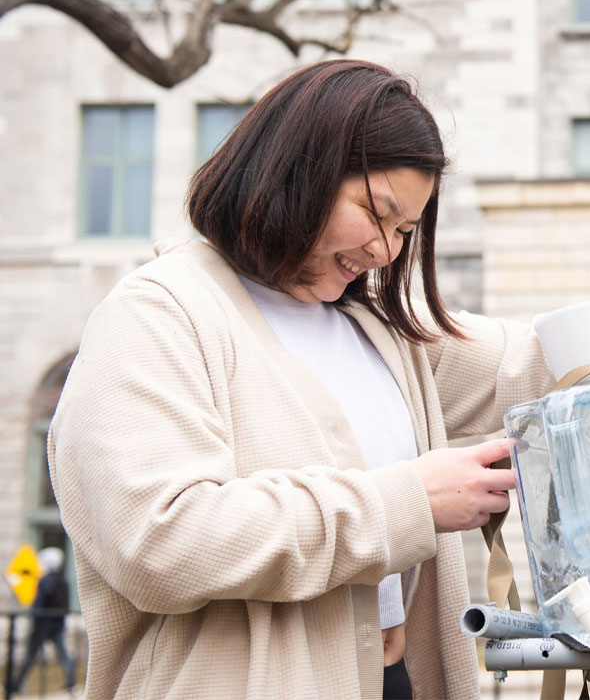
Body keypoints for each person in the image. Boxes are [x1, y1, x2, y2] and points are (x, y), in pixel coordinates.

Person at [48, 60, 554, 699]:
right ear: (297, 171)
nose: (386, 251)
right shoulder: (155, 316)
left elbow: (540, 361)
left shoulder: (382, 332)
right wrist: (405, 503)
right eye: (375, 212)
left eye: (404, 231)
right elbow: (160, 540)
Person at [12, 547, 75, 695]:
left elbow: (39, 604)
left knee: (30, 656)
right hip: (57, 624)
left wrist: (35, 619)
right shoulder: (64, 581)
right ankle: (70, 682)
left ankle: (16, 685)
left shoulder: (46, 581)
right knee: (63, 654)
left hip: (43, 625)